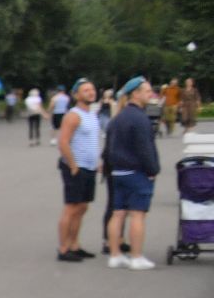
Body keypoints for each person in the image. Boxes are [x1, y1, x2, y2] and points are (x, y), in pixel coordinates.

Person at [104, 77, 162, 270]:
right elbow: (145, 149)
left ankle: (115, 255)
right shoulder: (140, 119)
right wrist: (153, 170)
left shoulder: (118, 118)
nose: (150, 94)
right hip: (137, 173)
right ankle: (136, 257)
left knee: (118, 213)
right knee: (137, 214)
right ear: (135, 93)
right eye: (146, 91)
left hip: (118, 172)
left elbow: (109, 148)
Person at [55, 78, 102, 262]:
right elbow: (63, 142)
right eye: (85, 90)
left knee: (82, 207)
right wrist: (73, 165)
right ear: (76, 95)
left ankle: (75, 244)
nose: (91, 92)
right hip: (75, 167)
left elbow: (90, 141)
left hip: (89, 167)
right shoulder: (73, 115)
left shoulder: (91, 114)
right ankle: (64, 248)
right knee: (71, 208)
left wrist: (96, 161)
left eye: (92, 89)